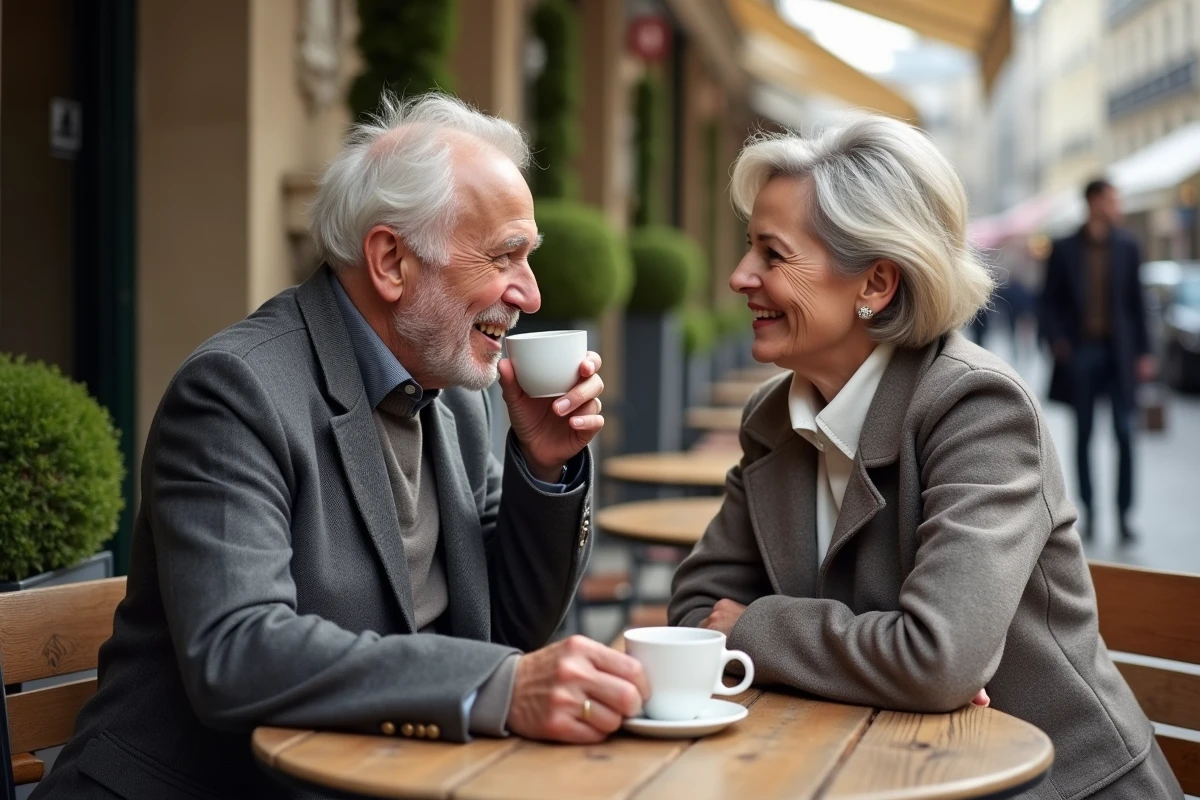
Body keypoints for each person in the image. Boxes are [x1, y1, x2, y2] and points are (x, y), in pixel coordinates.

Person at [33, 94, 648, 800]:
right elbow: (237, 652)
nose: (531, 294)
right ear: (391, 261)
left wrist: (543, 465)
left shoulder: (458, 395)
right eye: (505, 256)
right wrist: (498, 686)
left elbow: (507, 626)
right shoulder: (235, 391)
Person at [668, 117, 1181, 799]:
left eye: (773, 254)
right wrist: (881, 664)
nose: (740, 277)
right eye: (748, 248)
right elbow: (694, 609)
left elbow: (937, 660)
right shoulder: (775, 417)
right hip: (878, 769)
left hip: (1047, 785)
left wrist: (755, 628)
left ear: (875, 283)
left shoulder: (977, 407)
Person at [1040, 179, 1154, 543]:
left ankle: (1124, 516)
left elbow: (1137, 303)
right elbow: (1049, 301)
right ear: (1093, 201)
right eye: (1111, 199)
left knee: (1125, 433)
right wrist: (1058, 342)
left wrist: (1145, 352)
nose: (1117, 206)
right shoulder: (1064, 247)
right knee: (1084, 436)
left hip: (1119, 356)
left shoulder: (1128, 246)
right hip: (1081, 353)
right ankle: (1088, 512)